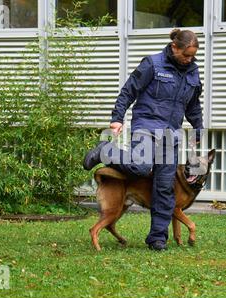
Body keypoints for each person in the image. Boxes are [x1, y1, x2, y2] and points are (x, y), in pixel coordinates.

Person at [83, 29, 203, 251]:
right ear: (175, 47)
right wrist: (117, 118)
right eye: (186, 54)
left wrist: (198, 131)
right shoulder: (152, 64)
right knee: (140, 166)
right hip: (147, 127)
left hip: (171, 135)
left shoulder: (193, 73)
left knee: (164, 188)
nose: (189, 59)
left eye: (193, 55)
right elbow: (129, 91)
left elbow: (194, 107)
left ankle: (157, 238)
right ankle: (105, 151)